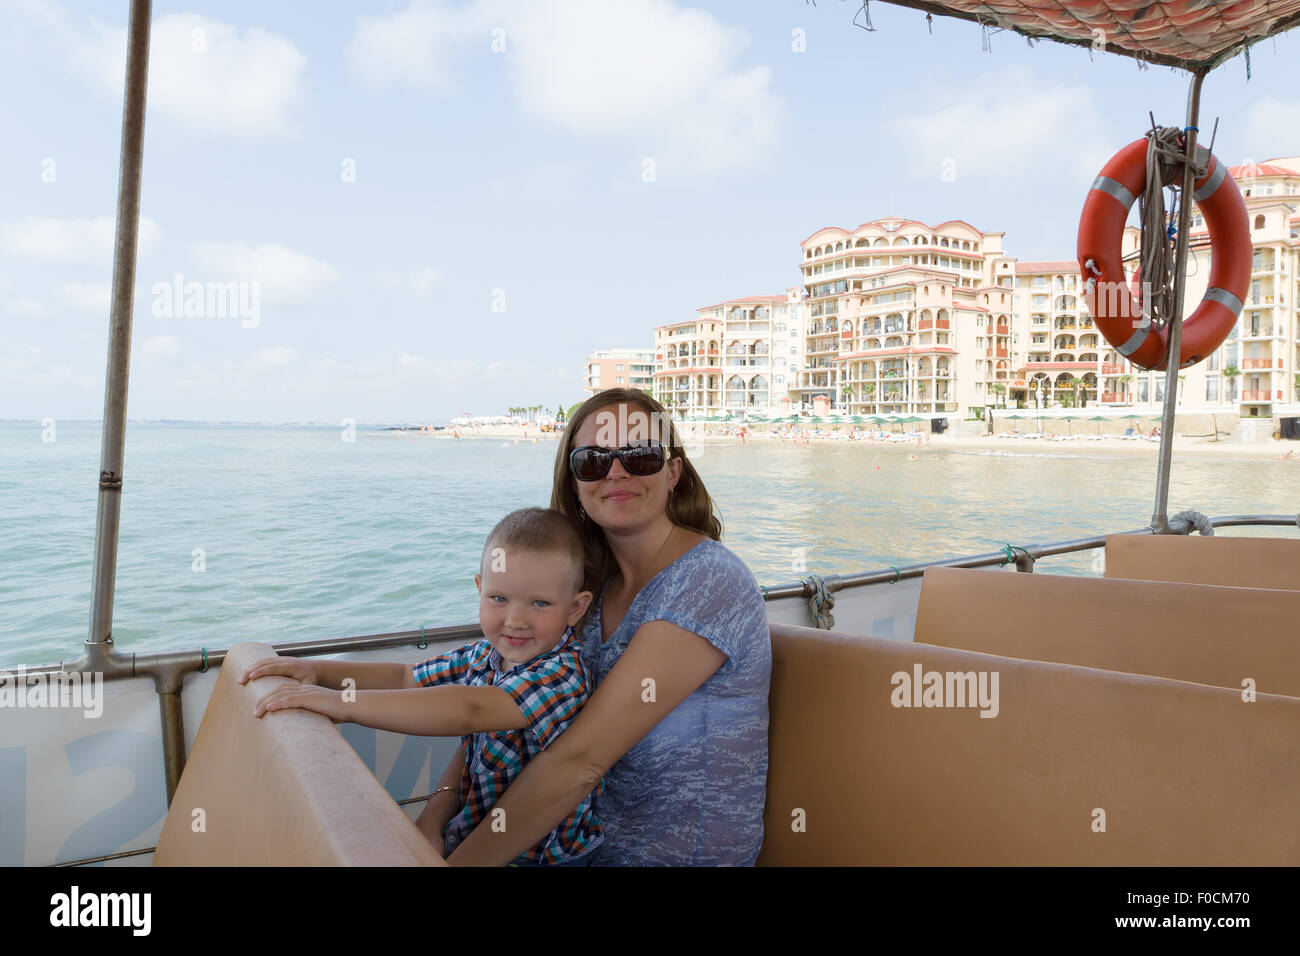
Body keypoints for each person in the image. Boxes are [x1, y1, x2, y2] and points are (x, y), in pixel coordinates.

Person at [443, 388, 771, 866]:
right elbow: (501, 699)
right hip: (575, 851)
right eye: (593, 460)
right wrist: (437, 817)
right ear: (575, 482)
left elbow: (581, 761)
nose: (616, 471)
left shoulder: (708, 582)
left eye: (639, 455)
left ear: (673, 471)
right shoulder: (584, 594)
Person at [238, 507, 602, 866]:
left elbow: (468, 710)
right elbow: (404, 677)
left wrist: (341, 704)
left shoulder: (561, 675)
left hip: (545, 857)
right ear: (479, 589)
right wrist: (316, 672)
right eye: (499, 598)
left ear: (574, 608)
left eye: (540, 603)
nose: (516, 619)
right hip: (472, 832)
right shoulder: (484, 654)